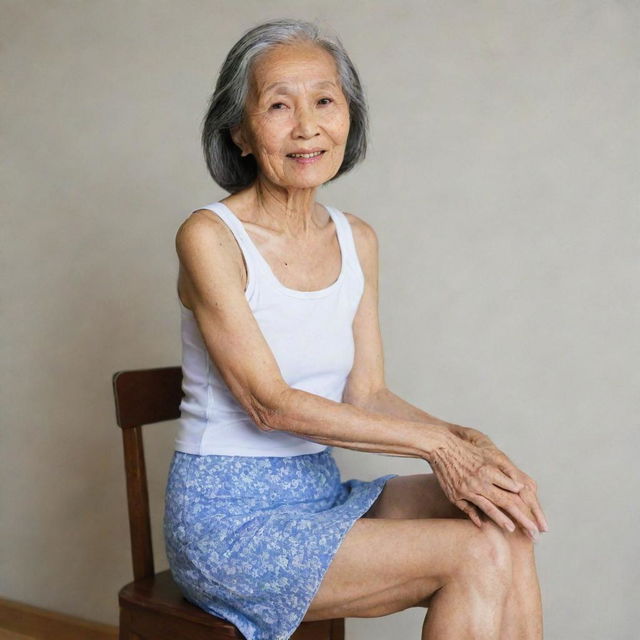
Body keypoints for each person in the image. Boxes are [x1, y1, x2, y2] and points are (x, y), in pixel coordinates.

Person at [163, 17, 548, 640]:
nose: (307, 125)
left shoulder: (356, 238)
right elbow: (269, 404)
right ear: (239, 131)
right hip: (229, 521)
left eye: (324, 101)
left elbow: (366, 393)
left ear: (348, 118)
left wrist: (469, 443)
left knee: (502, 517)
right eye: (279, 105)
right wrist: (437, 448)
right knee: (473, 555)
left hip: (320, 492)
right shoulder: (209, 237)